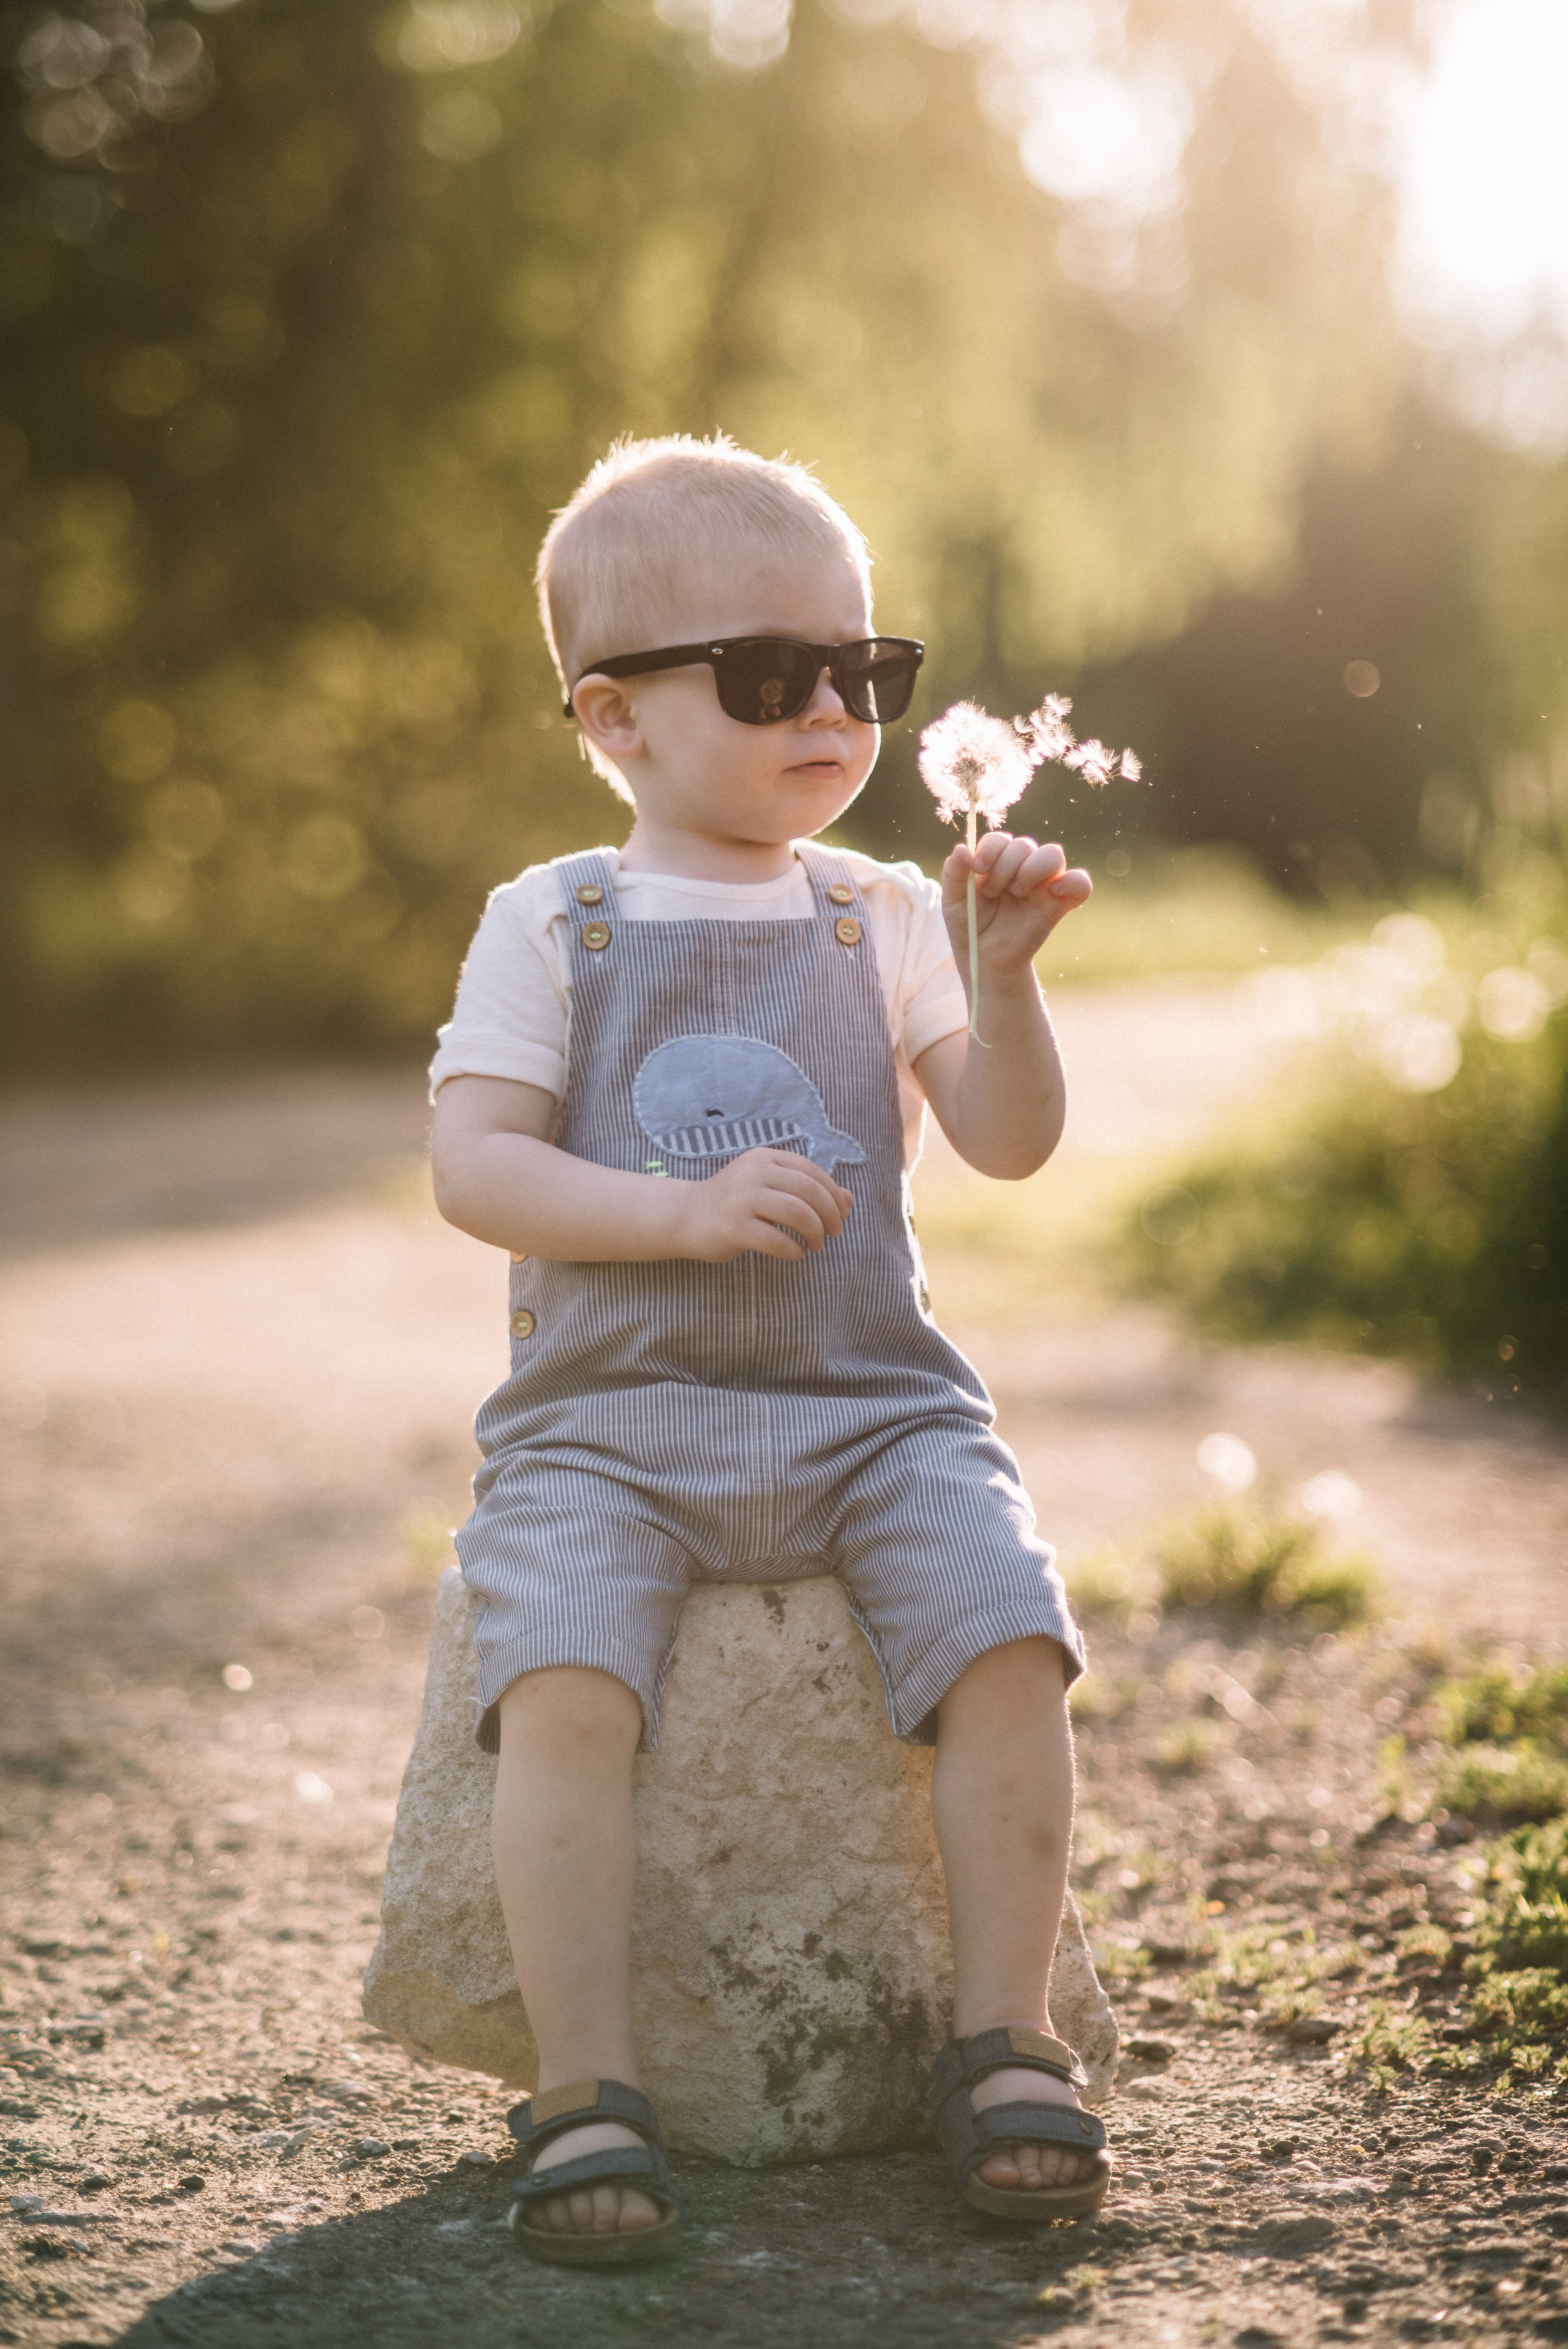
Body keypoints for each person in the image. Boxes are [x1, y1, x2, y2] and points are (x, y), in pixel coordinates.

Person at [429, 433, 1109, 2264]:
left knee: (1010, 1631)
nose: (829, 707)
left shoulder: (887, 915)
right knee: (560, 1672)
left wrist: (1011, 978)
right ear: (617, 718)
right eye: (765, 674)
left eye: (861, 672)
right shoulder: (552, 919)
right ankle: (585, 2082)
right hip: (609, 1420)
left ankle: (1006, 2035)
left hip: (872, 1406)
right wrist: (673, 1212)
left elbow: (1010, 1139)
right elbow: (472, 1163)